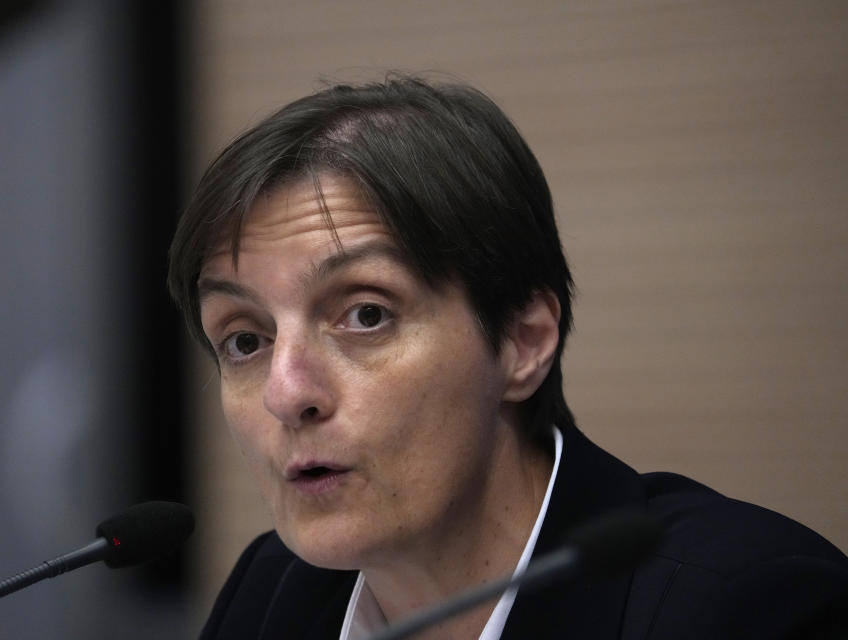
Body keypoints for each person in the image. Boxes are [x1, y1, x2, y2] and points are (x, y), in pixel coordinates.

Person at [167, 75, 847, 639]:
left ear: (524, 342)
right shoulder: (274, 595)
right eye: (246, 339)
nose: (286, 394)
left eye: (366, 315)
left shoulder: (742, 608)